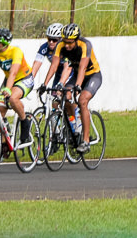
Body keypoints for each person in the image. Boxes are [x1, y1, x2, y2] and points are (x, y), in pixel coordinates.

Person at [41, 23, 102, 153]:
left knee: (82, 101)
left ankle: (85, 141)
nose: (67, 45)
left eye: (70, 43)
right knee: (64, 97)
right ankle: (75, 126)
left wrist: (78, 86)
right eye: (65, 42)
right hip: (77, 74)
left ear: (76, 39)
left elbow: (82, 67)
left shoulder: (85, 45)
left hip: (92, 76)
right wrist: (45, 84)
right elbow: (54, 65)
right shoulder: (60, 45)